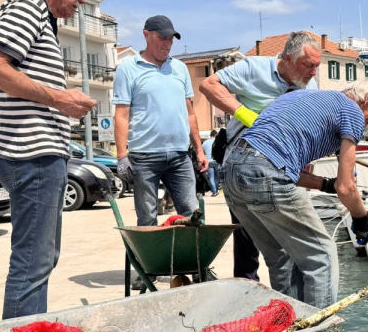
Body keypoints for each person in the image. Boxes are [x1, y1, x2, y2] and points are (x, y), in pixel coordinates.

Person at [221, 80, 368, 332]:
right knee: (321, 256)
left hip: (232, 170)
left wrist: (325, 185)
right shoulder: (352, 111)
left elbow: (280, 165)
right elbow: (348, 188)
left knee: (281, 259)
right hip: (264, 170)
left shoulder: (307, 98)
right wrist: (361, 219)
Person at [0, 0, 96, 319]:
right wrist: (60, 99)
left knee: (38, 261)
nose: (79, 2)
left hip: (35, 155)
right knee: (33, 264)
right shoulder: (29, 7)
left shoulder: (37, 14)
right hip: (34, 156)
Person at [200, 31, 321, 282]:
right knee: (247, 236)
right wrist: (247, 116)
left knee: (288, 238)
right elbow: (208, 85)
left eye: (316, 66)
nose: (313, 72)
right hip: (246, 166)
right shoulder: (253, 68)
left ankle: (287, 300)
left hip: (287, 167)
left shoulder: (311, 85)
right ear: (288, 58)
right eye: (308, 65)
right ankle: (245, 293)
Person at [113, 15, 208, 227]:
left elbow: (190, 113)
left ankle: (190, 260)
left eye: (171, 39)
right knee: (147, 219)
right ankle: (151, 260)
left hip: (180, 156)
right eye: (163, 37)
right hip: (144, 157)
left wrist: (199, 150)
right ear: (147, 35)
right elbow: (121, 114)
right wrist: (121, 156)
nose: (168, 43)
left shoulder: (180, 68)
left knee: (192, 215)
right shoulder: (128, 68)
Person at [202, 130, 219, 196]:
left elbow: (203, 151)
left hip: (208, 161)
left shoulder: (205, 142)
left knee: (211, 177)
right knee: (217, 177)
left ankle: (214, 192)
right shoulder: (217, 142)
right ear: (215, 135)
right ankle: (216, 190)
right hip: (217, 161)